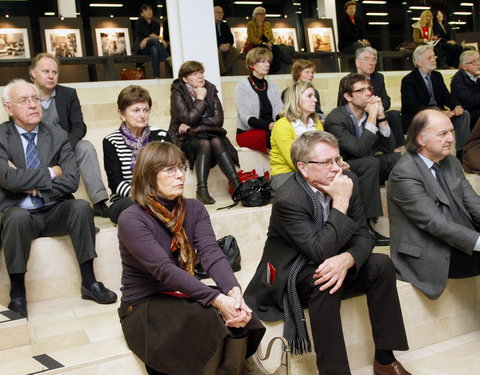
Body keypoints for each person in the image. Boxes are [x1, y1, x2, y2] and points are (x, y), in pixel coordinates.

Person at [245, 131, 410, 375]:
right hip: (292, 271)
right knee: (323, 279)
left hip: (330, 258)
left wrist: (348, 259)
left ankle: (384, 359)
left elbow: (364, 235)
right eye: (326, 163)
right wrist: (340, 203)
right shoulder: (289, 198)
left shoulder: (347, 179)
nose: (336, 168)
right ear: (303, 167)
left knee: (381, 264)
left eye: (337, 159)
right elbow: (319, 250)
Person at [117, 141, 265, 375]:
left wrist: (234, 293)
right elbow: (164, 270)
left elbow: (211, 253)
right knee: (209, 317)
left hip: (179, 293)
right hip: (144, 305)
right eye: (170, 170)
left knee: (244, 315)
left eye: (182, 168)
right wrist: (217, 300)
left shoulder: (194, 209)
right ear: (148, 175)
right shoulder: (132, 218)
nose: (180, 176)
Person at [0, 79, 117, 318]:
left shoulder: (57, 134)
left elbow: (71, 180)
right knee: (17, 217)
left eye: (35, 99)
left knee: (81, 207)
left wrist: (32, 186)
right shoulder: (1, 136)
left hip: (54, 210)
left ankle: (89, 282)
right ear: (8, 108)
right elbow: (7, 179)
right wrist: (51, 172)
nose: (33, 105)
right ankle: (18, 294)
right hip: (19, 213)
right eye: (24, 101)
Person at [388, 108, 480, 300]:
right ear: (421, 140)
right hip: (430, 251)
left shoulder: (451, 162)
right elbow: (436, 224)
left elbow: (474, 204)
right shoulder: (404, 173)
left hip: (456, 238)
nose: (451, 139)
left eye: (451, 132)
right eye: (443, 134)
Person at [29, 53, 110, 217]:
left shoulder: (68, 94)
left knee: (85, 147)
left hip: (66, 146)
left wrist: (64, 147)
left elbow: (79, 126)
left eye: (55, 72)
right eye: (46, 71)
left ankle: (99, 202)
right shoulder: (24, 96)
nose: (51, 76)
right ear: (33, 73)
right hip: (37, 150)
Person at [325, 73, 400, 247]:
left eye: (369, 89)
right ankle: (365, 228)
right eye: (361, 90)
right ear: (348, 96)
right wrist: (372, 117)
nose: (368, 94)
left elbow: (388, 148)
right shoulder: (335, 118)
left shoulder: (369, 114)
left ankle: (405, 210)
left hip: (367, 168)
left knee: (395, 158)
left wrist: (381, 117)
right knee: (369, 162)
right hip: (345, 168)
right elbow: (358, 150)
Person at [169, 60, 240, 205]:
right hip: (185, 137)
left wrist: (193, 126)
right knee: (205, 143)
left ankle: (237, 185)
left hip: (206, 133)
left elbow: (218, 119)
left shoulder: (210, 88)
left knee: (215, 140)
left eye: (201, 73)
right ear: (184, 78)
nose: (200, 77)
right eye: (194, 74)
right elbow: (187, 117)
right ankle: (202, 190)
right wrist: (200, 98)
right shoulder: (178, 92)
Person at [103, 85, 171, 224]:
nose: (142, 115)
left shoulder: (161, 135)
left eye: (146, 110)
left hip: (159, 196)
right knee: (140, 207)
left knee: (188, 205)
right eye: (136, 110)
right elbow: (115, 182)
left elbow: (170, 172)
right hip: (125, 200)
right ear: (122, 114)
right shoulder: (111, 141)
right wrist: (144, 197)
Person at [401, 45, 470, 161]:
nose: (434, 60)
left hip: (440, 114)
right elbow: (413, 105)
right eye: (429, 58)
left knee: (464, 115)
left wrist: (457, 106)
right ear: (419, 62)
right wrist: (438, 113)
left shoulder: (437, 76)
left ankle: (462, 153)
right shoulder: (409, 80)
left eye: (434, 56)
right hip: (419, 117)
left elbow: (447, 97)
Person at [270, 81, 324, 193]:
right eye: (309, 96)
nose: (315, 100)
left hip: (313, 170)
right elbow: (293, 161)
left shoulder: (317, 123)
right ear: (296, 99)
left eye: (314, 96)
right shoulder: (282, 125)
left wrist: (336, 163)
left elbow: (324, 151)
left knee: (347, 176)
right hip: (285, 175)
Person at [355, 47, 405, 148]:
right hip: (360, 116)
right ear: (358, 63)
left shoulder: (378, 77)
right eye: (367, 59)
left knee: (395, 114)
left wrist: (377, 107)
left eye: (374, 59)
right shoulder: (349, 80)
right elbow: (342, 104)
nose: (371, 63)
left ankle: (398, 149)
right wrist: (366, 108)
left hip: (378, 112)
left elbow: (386, 100)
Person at [236, 47, 283, 154]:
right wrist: (269, 125)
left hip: (271, 130)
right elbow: (246, 118)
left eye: (268, 62)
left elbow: (279, 111)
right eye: (262, 61)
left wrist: (280, 122)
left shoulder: (273, 86)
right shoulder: (242, 86)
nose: (267, 65)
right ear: (251, 65)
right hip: (247, 132)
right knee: (277, 137)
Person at [134, 3, 170, 79]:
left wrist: (146, 39)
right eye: (146, 10)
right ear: (142, 14)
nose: (149, 12)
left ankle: (156, 76)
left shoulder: (156, 24)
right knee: (154, 40)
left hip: (151, 47)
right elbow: (149, 34)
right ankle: (167, 58)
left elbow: (152, 36)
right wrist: (161, 39)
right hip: (142, 48)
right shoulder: (139, 22)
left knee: (154, 49)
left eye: (150, 9)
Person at [243, 6, 281, 73]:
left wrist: (270, 43)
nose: (262, 15)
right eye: (260, 14)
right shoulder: (251, 24)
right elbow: (251, 38)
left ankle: (274, 69)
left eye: (263, 14)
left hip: (267, 44)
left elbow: (272, 37)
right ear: (255, 15)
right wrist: (262, 43)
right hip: (255, 44)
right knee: (263, 48)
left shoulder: (268, 24)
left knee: (275, 48)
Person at [451, 50, 480, 129]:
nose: (478, 63)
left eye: (478, 60)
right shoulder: (458, 80)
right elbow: (471, 102)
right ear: (464, 66)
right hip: (467, 113)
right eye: (473, 62)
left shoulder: (477, 75)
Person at [214, 6, 240, 75]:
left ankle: (224, 69)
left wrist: (228, 45)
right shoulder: (210, 25)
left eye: (222, 12)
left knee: (236, 51)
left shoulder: (225, 25)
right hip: (215, 46)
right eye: (218, 12)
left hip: (226, 45)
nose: (220, 14)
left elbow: (230, 38)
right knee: (217, 52)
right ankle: (222, 72)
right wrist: (220, 45)